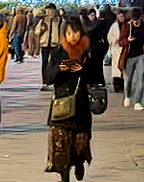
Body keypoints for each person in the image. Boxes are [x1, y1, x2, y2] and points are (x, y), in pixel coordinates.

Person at [44, 17, 100, 181]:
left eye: (75, 32)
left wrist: (83, 70)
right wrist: (60, 70)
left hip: (81, 106)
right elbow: (48, 77)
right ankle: (63, 172)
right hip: (61, 102)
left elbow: (97, 77)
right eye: (69, 33)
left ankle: (79, 163)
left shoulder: (88, 52)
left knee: (80, 141)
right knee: (60, 140)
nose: (72, 36)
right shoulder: (57, 52)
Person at [120, 10, 144, 111]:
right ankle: (127, 96)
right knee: (128, 79)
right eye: (134, 20)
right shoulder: (127, 26)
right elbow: (120, 41)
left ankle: (137, 102)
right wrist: (127, 41)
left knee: (140, 79)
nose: (136, 22)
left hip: (141, 55)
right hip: (129, 56)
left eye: (137, 20)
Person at [34, 4, 62, 90]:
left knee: (55, 64)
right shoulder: (43, 20)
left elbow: (61, 32)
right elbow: (37, 32)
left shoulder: (59, 20)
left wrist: (60, 43)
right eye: (47, 10)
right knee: (44, 63)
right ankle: (45, 82)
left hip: (55, 44)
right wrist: (42, 29)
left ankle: (54, 81)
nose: (49, 12)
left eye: (50, 10)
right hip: (45, 44)